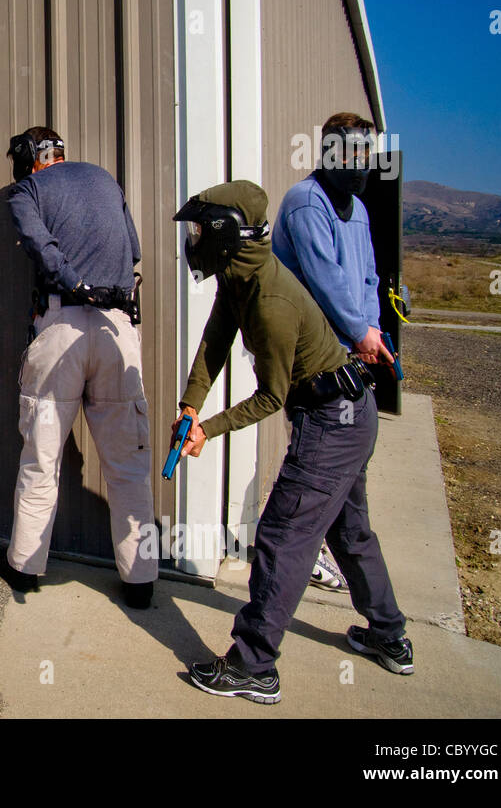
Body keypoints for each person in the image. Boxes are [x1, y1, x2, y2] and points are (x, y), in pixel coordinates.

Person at [174, 181, 412, 705]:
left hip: (335, 423)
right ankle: (389, 635)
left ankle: (253, 666)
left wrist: (207, 431)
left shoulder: (272, 299)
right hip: (342, 416)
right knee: (350, 532)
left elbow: (270, 397)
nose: (192, 240)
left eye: (198, 229)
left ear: (226, 234)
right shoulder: (240, 278)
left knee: (283, 535)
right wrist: (191, 405)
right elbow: (215, 340)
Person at [0, 126, 158, 608]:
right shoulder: (106, 179)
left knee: (41, 460)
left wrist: (76, 283)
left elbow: (40, 247)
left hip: (60, 326)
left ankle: (26, 570)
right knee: (129, 468)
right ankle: (141, 583)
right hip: (117, 331)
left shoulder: (27, 189)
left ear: (29, 158)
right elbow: (133, 250)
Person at [273, 112, 397, 594]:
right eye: (351, 152)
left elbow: (367, 278)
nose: (361, 162)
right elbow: (324, 279)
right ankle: (386, 630)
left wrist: (372, 332)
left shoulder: (359, 210)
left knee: (336, 499)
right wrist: (357, 334)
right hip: (319, 366)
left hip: (349, 373)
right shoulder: (306, 202)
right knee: (338, 499)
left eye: (368, 153)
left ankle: (387, 628)